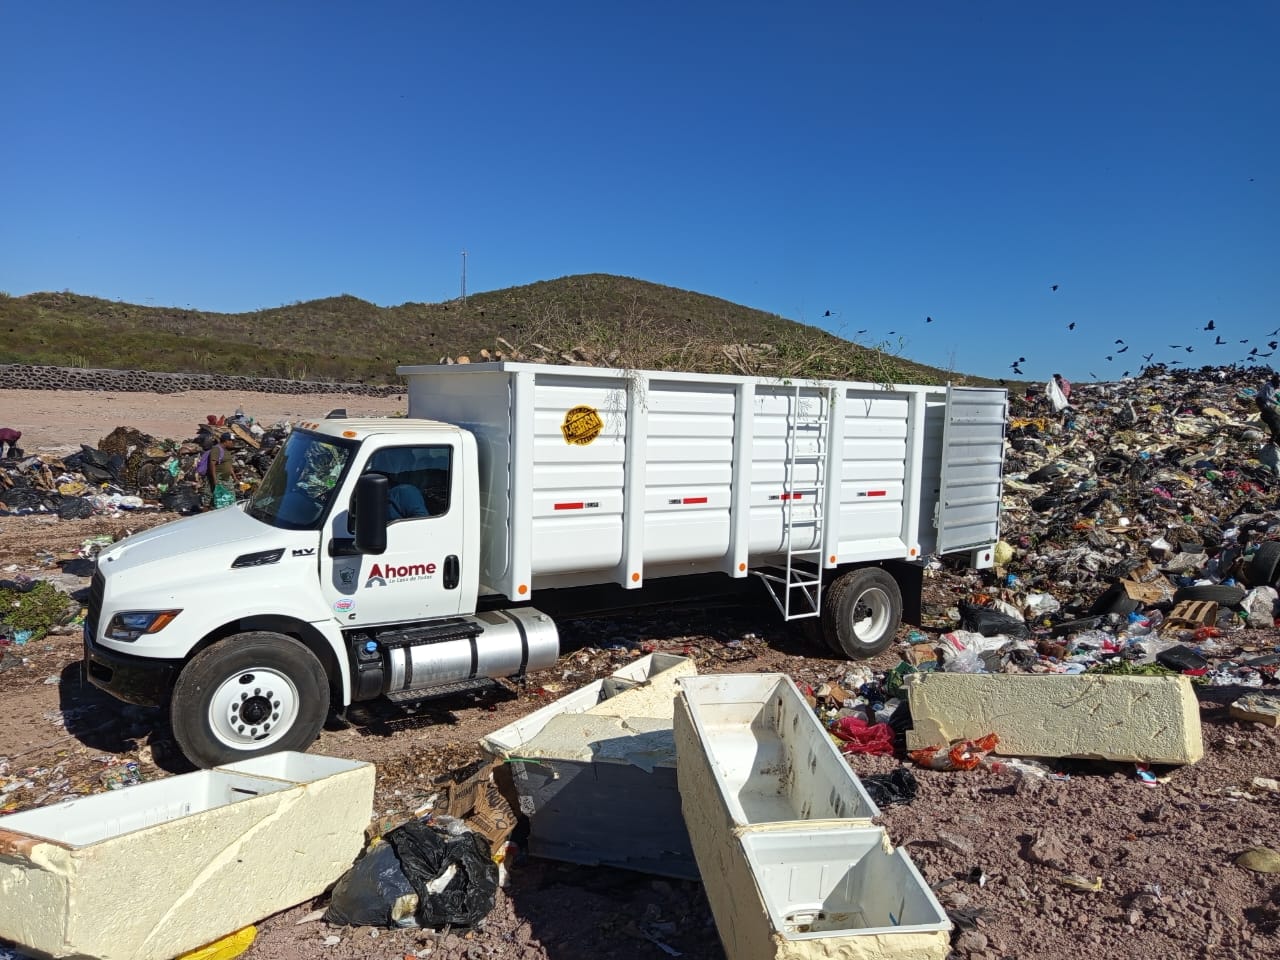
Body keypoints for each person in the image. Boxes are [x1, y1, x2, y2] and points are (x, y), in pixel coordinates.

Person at [205, 433, 240, 509]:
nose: (233, 443)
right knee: (210, 499)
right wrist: (215, 480)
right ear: (226, 441)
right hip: (218, 478)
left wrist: (234, 477)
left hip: (227, 479)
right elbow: (212, 464)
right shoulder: (216, 449)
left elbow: (229, 465)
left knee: (230, 498)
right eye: (232, 441)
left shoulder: (227, 450)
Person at [1258, 373, 1280, 444]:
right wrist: (1277, 403)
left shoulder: (1273, 386)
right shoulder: (1269, 386)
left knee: (1272, 417)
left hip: (1265, 403)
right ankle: (1274, 437)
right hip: (1261, 401)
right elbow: (1268, 397)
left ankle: (1274, 437)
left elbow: (1273, 396)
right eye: (1278, 382)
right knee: (1272, 417)